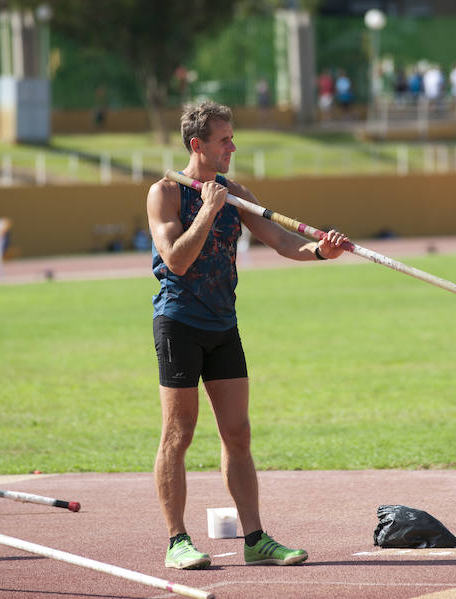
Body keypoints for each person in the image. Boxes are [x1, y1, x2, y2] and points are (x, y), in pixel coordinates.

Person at [145, 101, 348, 571]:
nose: (232, 147)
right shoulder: (165, 194)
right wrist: (208, 212)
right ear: (198, 145)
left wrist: (321, 251)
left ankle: (255, 540)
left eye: (232, 138)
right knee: (179, 433)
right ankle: (177, 540)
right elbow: (175, 259)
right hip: (179, 324)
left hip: (223, 324)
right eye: (224, 140)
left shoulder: (235, 192)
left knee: (237, 433)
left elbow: (280, 241)